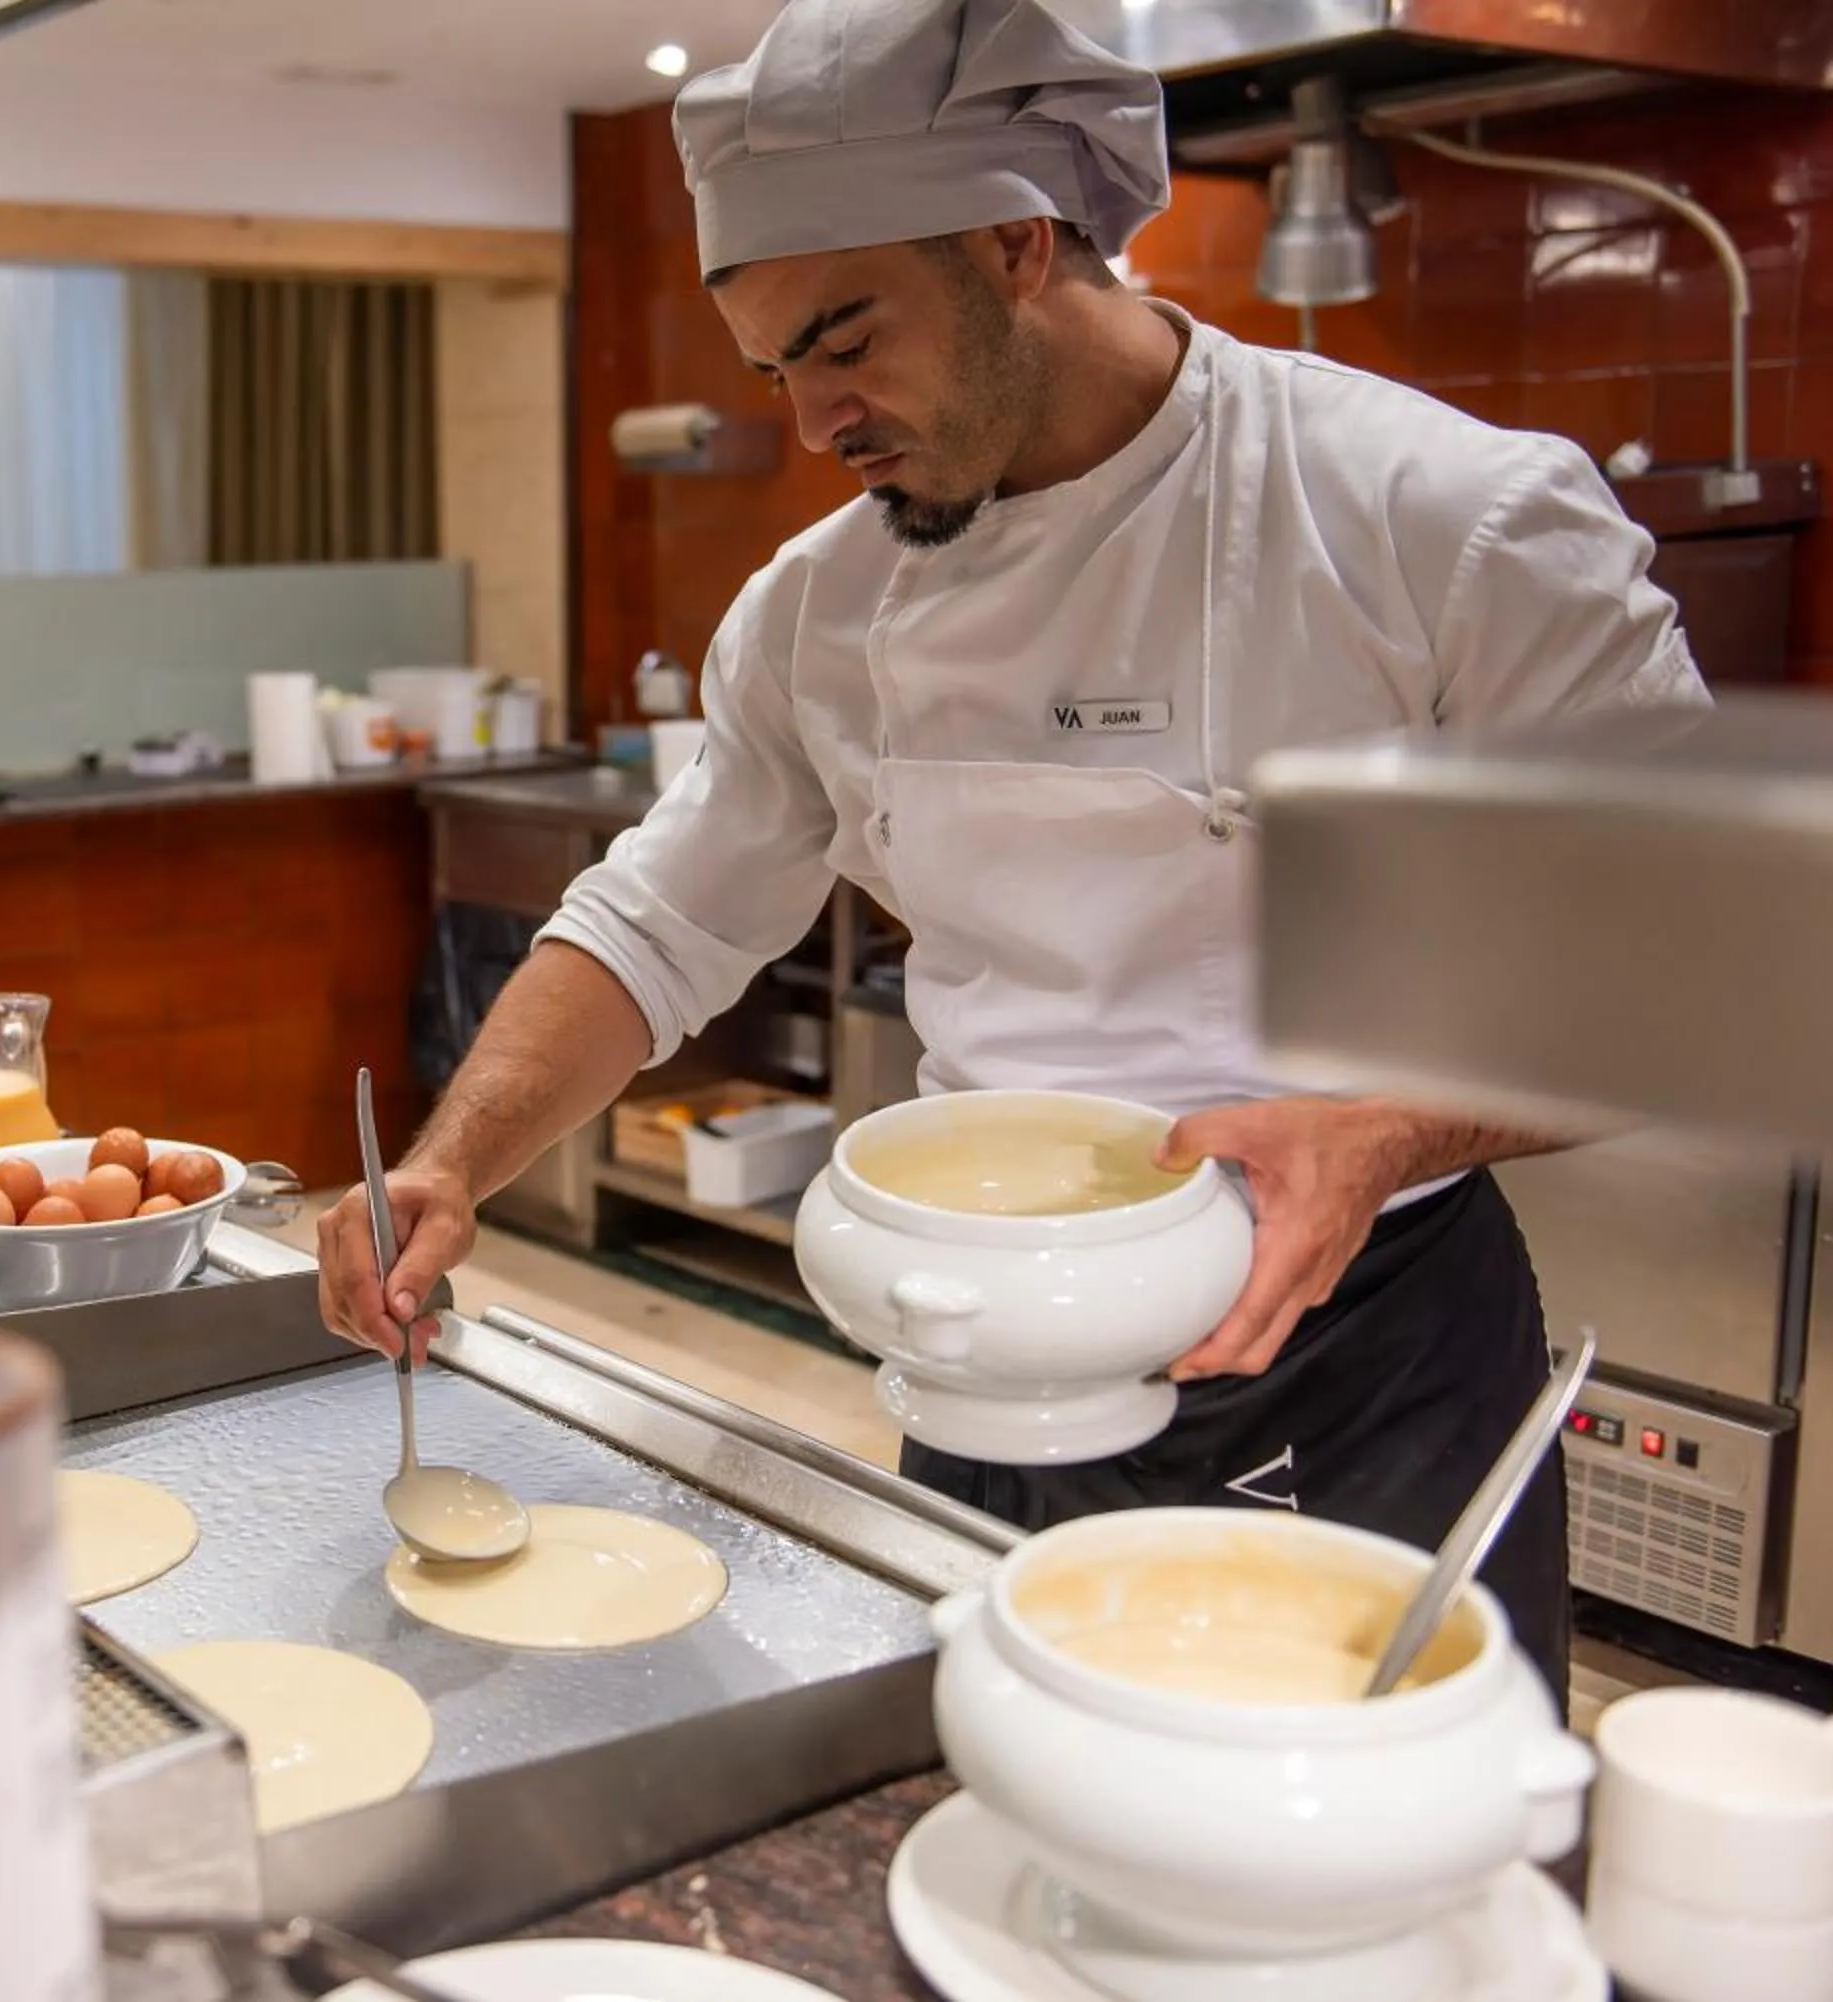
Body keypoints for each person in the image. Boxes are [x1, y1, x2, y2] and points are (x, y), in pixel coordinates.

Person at [318, 0, 1711, 1691]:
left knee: (1359, 1873)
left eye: (847, 340)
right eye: (778, 370)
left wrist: (1393, 1129)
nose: (819, 418)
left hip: (1350, 1337)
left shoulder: (1439, 519)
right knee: (1014, 1793)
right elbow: (656, 922)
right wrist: (453, 1164)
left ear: (1014, 239)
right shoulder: (817, 615)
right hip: (981, 1341)